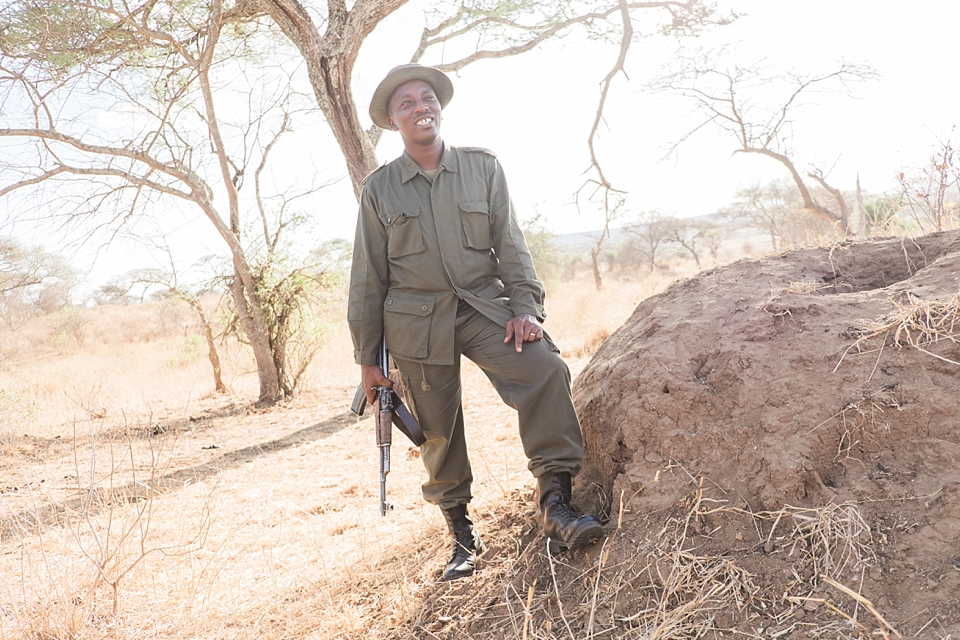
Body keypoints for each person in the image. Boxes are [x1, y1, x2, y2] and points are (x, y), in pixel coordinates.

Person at [348, 63, 603, 581]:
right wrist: (367, 362)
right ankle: (462, 537)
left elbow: (511, 242)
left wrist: (525, 308)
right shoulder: (379, 190)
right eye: (406, 104)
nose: (421, 107)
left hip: (485, 307)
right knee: (437, 431)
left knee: (545, 370)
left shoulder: (483, 168)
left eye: (427, 98)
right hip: (415, 323)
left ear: (439, 107)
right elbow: (368, 278)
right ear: (394, 122)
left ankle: (556, 504)